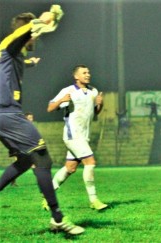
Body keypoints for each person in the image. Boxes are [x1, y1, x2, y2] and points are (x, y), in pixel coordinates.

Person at [0, 6, 85, 235]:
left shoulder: (13, 56)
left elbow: (19, 60)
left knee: (26, 161)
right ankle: (57, 218)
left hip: (4, 113)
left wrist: (31, 62)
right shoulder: (8, 46)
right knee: (43, 159)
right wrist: (39, 22)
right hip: (5, 112)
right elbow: (16, 39)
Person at [45, 64, 108, 211]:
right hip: (72, 135)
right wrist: (61, 100)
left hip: (83, 136)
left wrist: (100, 104)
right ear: (76, 76)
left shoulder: (93, 91)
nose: (88, 75)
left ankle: (47, 197)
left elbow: (95, 113)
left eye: (89, 72)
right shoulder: (69, 90)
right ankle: (94, 200)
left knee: (70, 168)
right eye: (84, 73)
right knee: (90, 162)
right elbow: (50, 108)